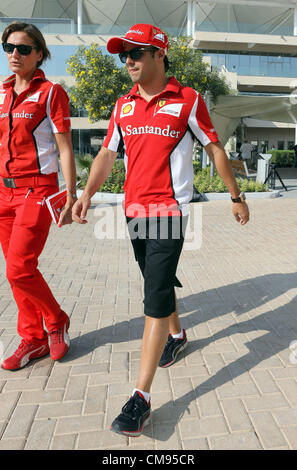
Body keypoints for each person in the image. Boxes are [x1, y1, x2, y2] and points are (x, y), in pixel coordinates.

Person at [72, 23, 250, 437]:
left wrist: (236, 197)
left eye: (136, 53)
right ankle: (178, 333)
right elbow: (105, 154)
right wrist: (86, 193)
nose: (129, 61)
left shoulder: (187, 101)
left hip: (169, 213)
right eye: (124, 55)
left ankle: (141, 397)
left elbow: (214, 148)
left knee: (152, 297)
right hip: (133, 212)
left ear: (159, 54)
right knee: (158, 281)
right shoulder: (124, 106)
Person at [0, 22, 77, 370]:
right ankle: (33, 338)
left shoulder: (50, 93)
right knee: (19, 269)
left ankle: (56, 319)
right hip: (3, 192)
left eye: (23, 48)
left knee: (18, 268)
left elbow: (65, 149)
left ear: (40, 53)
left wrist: (72, 194)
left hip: (37, 188)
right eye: (8, 47)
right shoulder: (0, 94)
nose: (14, 54)